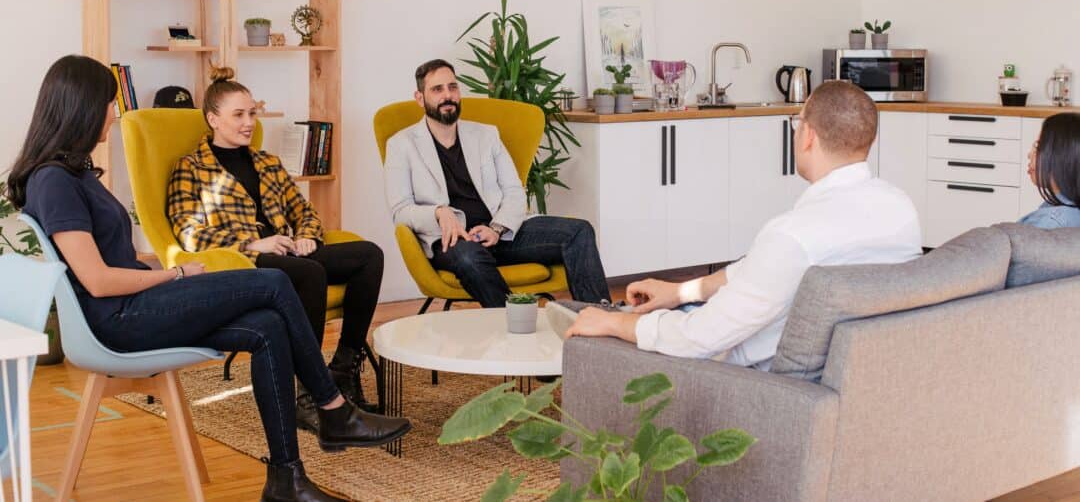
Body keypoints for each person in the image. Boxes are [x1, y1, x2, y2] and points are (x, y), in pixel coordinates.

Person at [8, 56, 410, 502]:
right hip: (117, 320)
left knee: (269, 326)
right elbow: (98, 282)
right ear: (81, 107)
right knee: (275, 284)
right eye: (108, 102)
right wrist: (174, 275)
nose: (113, 112)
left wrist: (165, 277)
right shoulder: (55, 181)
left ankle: (286, 481)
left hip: (134, 307)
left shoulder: (75, 174)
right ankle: (333, 408)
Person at [566, 81, 923, 367]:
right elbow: (760, 273)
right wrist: (681, 292)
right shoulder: (900, 211)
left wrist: (615, 324)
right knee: (651, 311)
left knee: (603, 322)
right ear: (869, 139)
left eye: (797, 122)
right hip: (849, 374)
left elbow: (698, 339)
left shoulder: (792, 236)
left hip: (751, 381)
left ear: (809, 136)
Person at [168, 66, 385, 427]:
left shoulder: (268, 163)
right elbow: (188, 234)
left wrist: (308, 237)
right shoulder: (190, 169)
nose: (249, 122)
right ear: (213, 119)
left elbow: (304, 210)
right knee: (310, 273)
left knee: (368, 254)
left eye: (252, 113)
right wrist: (254, 242)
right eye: (238, 114)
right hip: (244, 261)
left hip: (289, 252)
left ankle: (344, 367)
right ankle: (308, 390)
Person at [383, 59, 611, 307]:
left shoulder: (486, 135)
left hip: (500, 234)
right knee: (470, 258)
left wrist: (497, 228)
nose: (447, 96)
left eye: (453, 87)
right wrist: (439, 213)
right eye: (437, 89)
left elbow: (514, 190)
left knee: (579, 231)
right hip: (452, 241)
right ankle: (516, 327)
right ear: (420, 98)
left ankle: (598, 321)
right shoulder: (401, 145)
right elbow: (400, 211)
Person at [1019, 112, 1080, 229]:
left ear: (1062, 156)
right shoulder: (1067, 209)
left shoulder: (1049, 224)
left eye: (1038, 147)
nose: (1029, 154)